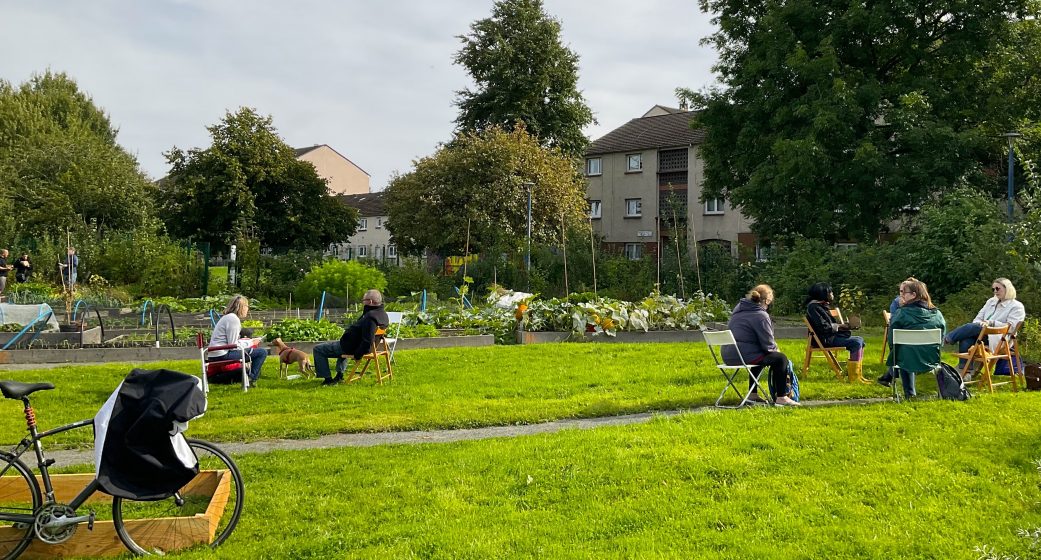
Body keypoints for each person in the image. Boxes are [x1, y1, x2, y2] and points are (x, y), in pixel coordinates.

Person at [722, 284, 800, 406]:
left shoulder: (738, 310)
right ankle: (781, 397)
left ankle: (752, 394)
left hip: (728, 355)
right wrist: (777, 351)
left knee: (758, 356)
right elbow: (768, 345)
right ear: (767, 301)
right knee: (780, 359)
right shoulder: (761, 316)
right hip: (743, 355)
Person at [944, 278, 1025, 370]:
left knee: (971, 328)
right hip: (982, 332)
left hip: (1000, 338)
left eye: (998, 289)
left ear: (1007, 289)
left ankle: (946, 340)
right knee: (967, 337)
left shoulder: (1017, 306)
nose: (995, 291)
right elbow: (978, 318)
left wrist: (991, 323)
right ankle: (966, 372)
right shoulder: (991, 301)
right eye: (993, 289)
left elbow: (1011, 328)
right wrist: (981, 325)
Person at [884, 278, 946, 398]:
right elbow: (942, 337)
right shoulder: (937, 314)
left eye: (904, 293)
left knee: (903, 352)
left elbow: (892, 340)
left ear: (913, 295)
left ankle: (910, 394)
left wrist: (894, 350)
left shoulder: (901, 313)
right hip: (931, 357)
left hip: (906, 359)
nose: (901, 296)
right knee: (906, 351)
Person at [313, 289, 389, 386]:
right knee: (341, 346)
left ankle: (327, 380)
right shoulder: (382, 314)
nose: (362, 302)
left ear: (370, 302)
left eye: (364, 300)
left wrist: (358, 354)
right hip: (353, 345)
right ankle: (339, 375)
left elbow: (367, 340)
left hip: (352, 347)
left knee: (318, 349)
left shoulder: (370, 317)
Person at [805, 282, 868, 383]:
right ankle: (854, 378)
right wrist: (842, 326)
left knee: (860, 340)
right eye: (830, 292)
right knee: (856, 343)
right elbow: (824, 327)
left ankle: (858, 374)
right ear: (823, 294)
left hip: (829, 337)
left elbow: (831, 324)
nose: (832, 294)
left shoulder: (821, 306)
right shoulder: (813, 307)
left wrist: (847, 325)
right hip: (824, 340)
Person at [206, 295, 267, 385]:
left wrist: (249, 341)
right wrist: (251, 342)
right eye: (247, 306)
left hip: (215, 353)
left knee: (255, 354)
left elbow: (232, 342)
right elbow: (233, 345)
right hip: (222, 354)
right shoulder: (233, 319)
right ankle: (251, 378)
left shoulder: (227, 317)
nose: (247, 309)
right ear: (240, 307)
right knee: (262, 352)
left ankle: (248, 376)